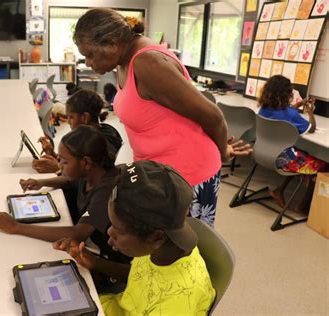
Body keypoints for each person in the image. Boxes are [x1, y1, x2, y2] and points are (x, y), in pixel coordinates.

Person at [72, 8, 251, 227]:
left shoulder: (147, 63)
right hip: (159, 173)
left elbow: (213, 116)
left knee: (182, 252)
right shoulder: (122, 61)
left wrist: (223, 152)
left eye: (89, 55)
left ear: (112, 42)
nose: (88, 63)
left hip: (187, 175)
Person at [54, 160, 216, 315]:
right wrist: (95, 263)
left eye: (119, 230)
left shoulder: (177, 303)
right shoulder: (164, 248)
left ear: (156, 238)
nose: (109, 232)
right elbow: (140, 275)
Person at [0, 125, 126, 262]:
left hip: (107, 256)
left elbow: (77, 234)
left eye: (64, 161)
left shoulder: (106, 190)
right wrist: (41, 182)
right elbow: (68, 181)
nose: (59, 165)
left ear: (86, 162)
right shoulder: (92, 173)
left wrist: (17, 227)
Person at [258, 75, 327, 212]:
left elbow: (286, 113)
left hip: (263, 153)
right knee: (323, 162)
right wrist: (310, 113)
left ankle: (279, 190)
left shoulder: (264, 109)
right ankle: (303, 207)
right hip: (283, 160)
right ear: (287, 94)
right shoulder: (290, 114)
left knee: (301, 152)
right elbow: (311, 128)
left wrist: (300, 104)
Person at [33, 89, 122, 174]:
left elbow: (93, 176)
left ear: (85, 117)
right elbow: (76, 164)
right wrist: (53, 154)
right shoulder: (90, 135)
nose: (68, 122)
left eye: (71, 117)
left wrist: (58, 168)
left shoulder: (100, 142)